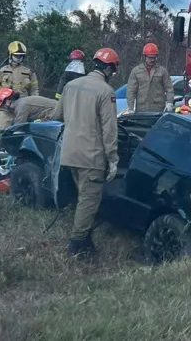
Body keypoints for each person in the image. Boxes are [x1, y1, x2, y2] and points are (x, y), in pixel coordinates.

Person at [52, 47, 120, 259]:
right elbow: (109, 130)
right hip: (91, 157)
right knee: (88, 202)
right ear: (109, 69)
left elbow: (57, 115)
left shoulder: (70, 86)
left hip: (69, 153)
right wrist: (113, 158)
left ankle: (87, 241)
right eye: (114, 70)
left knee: (83, 198)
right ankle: (77, 246)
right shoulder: (105, 92)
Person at [0, 41, 39, 134]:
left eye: (21, 56)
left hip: (23, 107)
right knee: (1, 130)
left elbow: (34, 89)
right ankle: (1, 148)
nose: (19, 58)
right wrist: (4, 92)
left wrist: (34, 103)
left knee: (21, 132)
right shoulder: (0, 70)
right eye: (16, 55)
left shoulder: (29, 71)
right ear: (10, 55)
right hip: (4, 106)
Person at [126, 43, 174, 113]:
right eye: (150, 57)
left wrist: (170, 102)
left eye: (154, 57)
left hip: (158, 109)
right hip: (141, 110)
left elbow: (169, 88)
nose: (152, 60)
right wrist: (130, 108)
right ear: (145, 57)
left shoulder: (162, 71)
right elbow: (131, 91)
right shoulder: (136, 71)